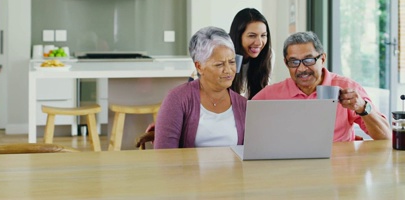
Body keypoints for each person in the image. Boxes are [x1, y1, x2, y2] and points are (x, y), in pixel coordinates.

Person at [252, 31, 391, 142]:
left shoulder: (347, 87)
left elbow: (386, 137)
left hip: (339, 171)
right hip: (293, 171)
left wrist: (362, 107)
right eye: (294, 62)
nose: (301, 69)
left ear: (322, 59)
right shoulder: (272, 94)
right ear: (286, 62)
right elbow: (244, 127)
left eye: (308, 60)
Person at [154, 26, 247, 149]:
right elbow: (164, 156)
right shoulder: (177, 99)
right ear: (199, 67)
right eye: (219, 64)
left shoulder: (243, 105)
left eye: (232, 62)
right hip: (189, 169)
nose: (228, 70)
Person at [228, 8, 273, 99]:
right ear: (238, 36)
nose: (259, 43)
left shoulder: (268, 54)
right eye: (252, 36)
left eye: (263, 35)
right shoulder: (223, 55)